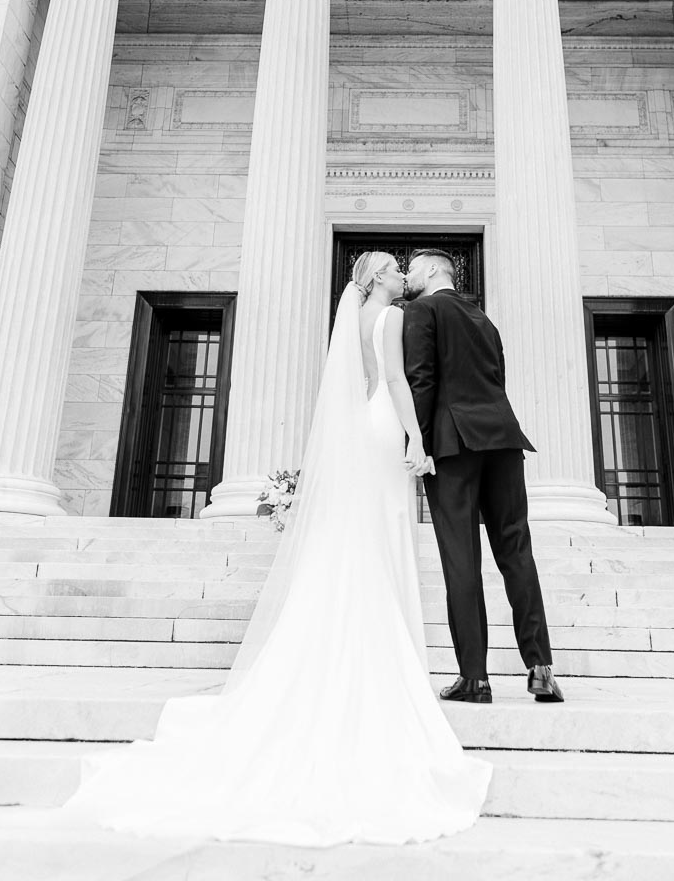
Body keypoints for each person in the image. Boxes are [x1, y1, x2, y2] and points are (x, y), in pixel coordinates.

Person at [53, 252, 491, 845]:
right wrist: (418, 438)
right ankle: (386, 653)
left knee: (367, 535)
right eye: (391, 267)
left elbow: (365, 383)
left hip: (366, 426)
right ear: (376, 280)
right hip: (388, 426)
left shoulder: (358, 319)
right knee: (384, 534)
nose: (398, 274)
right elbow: (393, 381)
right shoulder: (389, 320)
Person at [403, 247, 563, 705]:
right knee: (517, 552)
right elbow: (498, 379)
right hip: (504, 440)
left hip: (455, 446)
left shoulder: (422, 310)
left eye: (412, 267)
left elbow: (422, 380)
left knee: (461, 560)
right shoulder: (484, 320)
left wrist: (419, 443)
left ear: (433, 270)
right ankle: (541, 669)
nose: (408, 274)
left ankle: (474, 677)